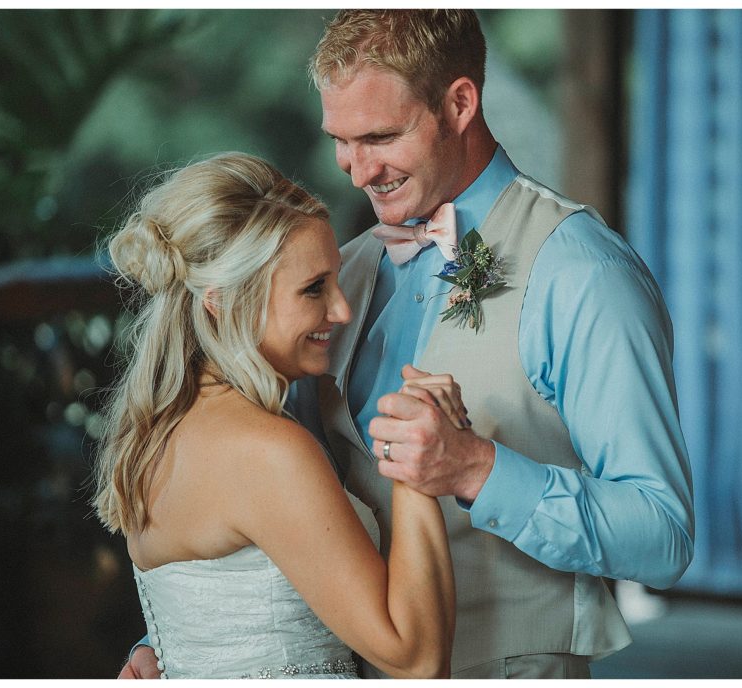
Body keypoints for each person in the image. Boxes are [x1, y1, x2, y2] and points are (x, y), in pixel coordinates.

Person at [126, 9, 695, 680]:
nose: (358, 171)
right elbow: (280, 506)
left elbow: (662, 537)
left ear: (459, 103)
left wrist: (476, 470)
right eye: (341, 140)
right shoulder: (345, 275)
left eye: (380, 136)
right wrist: (184, 637)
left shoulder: (582, 273)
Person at [93, 152, 457, 679]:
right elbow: (417, 659)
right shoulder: (266, 452)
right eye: (314, 289)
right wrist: (418, 463)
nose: (341, 310)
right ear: (223, 300)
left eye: (335, 281)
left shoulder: (154, 435)